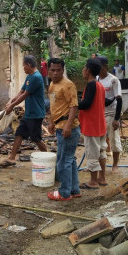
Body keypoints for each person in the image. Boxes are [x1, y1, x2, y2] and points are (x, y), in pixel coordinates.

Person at [0, 55, 47, 167]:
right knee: (19, 133)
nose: (23, 68)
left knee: (36, 138)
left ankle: (49, 158)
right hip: (29, 113)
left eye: (24, 66)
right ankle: (11, 158)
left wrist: (12, 106)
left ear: (29, 65)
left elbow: (25, 95)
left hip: (36, 114)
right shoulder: (29, 76)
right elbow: (21, 91)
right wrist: (10, 102)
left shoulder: (36, 77)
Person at [46, 58, 81, 201]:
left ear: (63, 70)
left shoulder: (68, 85)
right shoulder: (52, 85)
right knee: (69, 160)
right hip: (59, 127)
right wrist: (51, 122)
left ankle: (65, 193)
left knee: (63, 161)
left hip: (68, 128)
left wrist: (67, 125)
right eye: (52, 70)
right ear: (48, 70)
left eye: (58, 70)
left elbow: (74, 106)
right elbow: (55, 105)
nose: (55, 73)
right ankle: (74, 189)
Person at [78, 58, 107, 189]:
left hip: (92, 125)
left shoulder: (91, 85)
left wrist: (73, 103)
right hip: (100, 124)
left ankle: (93, 181)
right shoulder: (100, 85)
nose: (83, 71)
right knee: (101, 151)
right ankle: (102, 177)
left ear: (88, 70)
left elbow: (86, 104)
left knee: (92, 154)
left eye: (84, 69)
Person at [97, 56, 123, 173]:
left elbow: (119, 100)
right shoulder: (96, 78)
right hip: (100, 113)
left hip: (112, 113)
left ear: (105, 67)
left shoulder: (113, 80)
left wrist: (117, 119)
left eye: (100, 67)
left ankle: (115, 164)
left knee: (114, 139)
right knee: (99, 139)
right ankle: (99, 163)